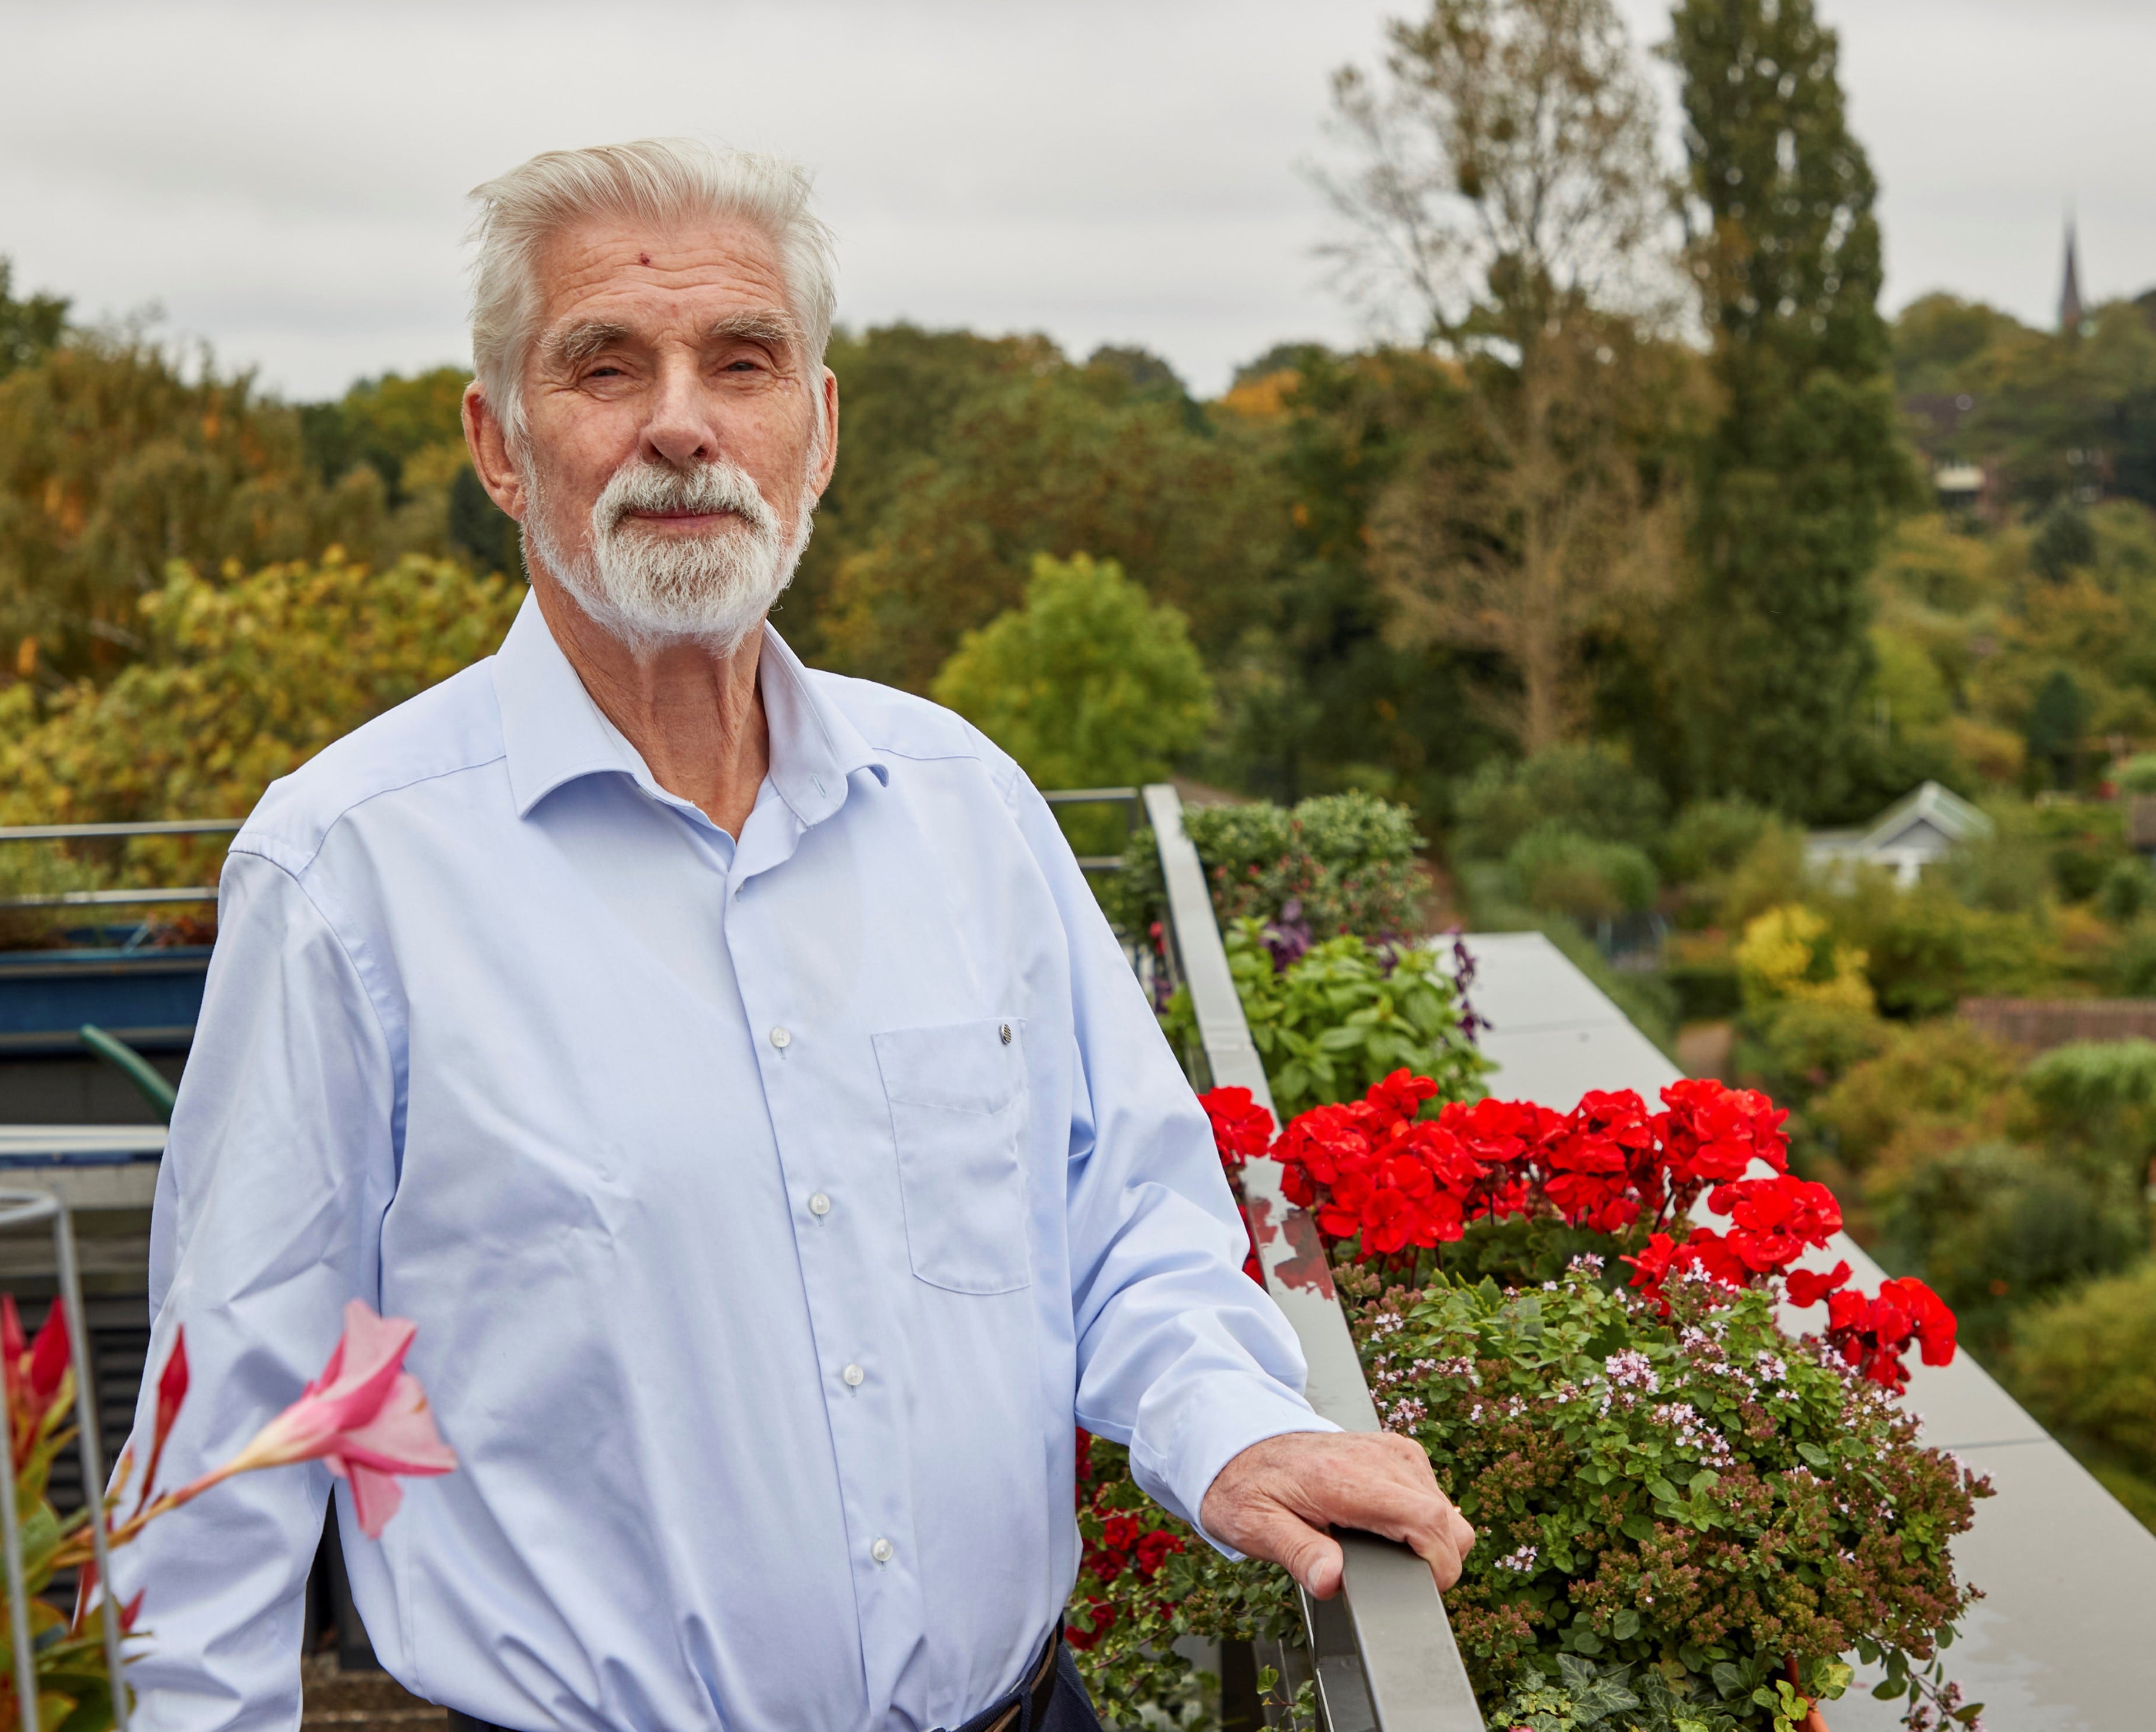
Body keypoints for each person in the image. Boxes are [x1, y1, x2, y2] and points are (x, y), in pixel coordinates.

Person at [121, 138, 1472, 1732]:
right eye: (604, 365)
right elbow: (231, 1421)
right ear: (498, 443)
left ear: (815, 433)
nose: (681, 420)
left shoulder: (965, 809)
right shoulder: (351, 870)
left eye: (741, 362)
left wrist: (1232, 1425)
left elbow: (1124, 1224)